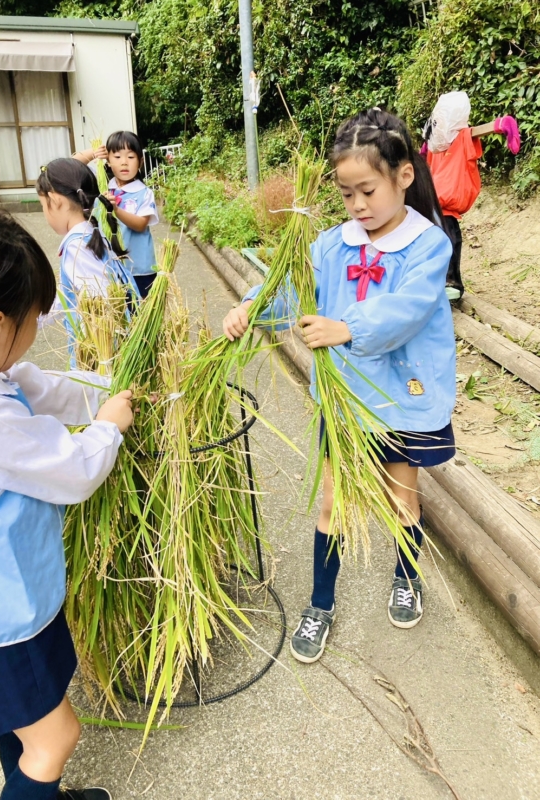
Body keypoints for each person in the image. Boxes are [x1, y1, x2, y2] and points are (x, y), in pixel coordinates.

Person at [223, 108, 456, 662]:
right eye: (346, 193)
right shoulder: (331, 245)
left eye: (367, 191)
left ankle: (407, 577)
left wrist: (348, 326)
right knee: (332, 503)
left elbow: (409, 307)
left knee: (402, 498)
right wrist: (252, 306)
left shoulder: (428, 245)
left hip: (402, 397)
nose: (357, 205)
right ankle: (320, 602)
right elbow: (293, 289)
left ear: (404, 176)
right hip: (346, 400)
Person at [0, 203, 134, 798]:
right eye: (32, 323)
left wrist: (109, 389)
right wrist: (110, 427)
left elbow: (43, 389)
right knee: (55, 739)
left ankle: (37, 790)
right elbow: (72, 470)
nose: (33, 338)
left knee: (23, 724)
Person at [36, 158, 139, 363]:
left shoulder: (77, 248)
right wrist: (33, 319)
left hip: (98, 355)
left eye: (42, 206)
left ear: (54, 200)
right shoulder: (90, 235)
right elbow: (69, 294)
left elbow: (101, 303)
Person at [421, 91, 520, 299]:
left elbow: (481, 130)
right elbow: (424, 152)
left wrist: (503, 124)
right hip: (433, 203)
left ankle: (452, 284)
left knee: (449, 239)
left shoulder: (462, 138)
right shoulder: (435, 145)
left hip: (446, 205)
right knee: (434, 242)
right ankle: (437, 283)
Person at [74, 132, 159, 298]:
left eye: (131, 157)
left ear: (140, 162)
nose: (124, 162)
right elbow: (70, 167)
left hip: (138, 270)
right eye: (117, 156)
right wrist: (93, 153)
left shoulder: (144, 193)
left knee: (139, 310)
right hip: (108, 268)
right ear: (108, 161)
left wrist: (116, 210)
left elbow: (141, 225)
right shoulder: (102, 186)